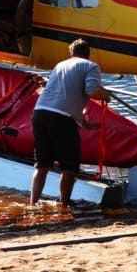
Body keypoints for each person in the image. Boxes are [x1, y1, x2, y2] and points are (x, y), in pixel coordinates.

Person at [30, 38, 111, 206]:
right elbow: (92, 91)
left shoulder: (60, 65)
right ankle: (63, 205)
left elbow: (63, 95)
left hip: (40, 113)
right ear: (88, 54)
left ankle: (32, 203)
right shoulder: (91, 66)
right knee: (70, 166)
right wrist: (106, 96)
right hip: (62, 118)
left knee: (42, 165)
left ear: (71, 53)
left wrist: (85, 123)